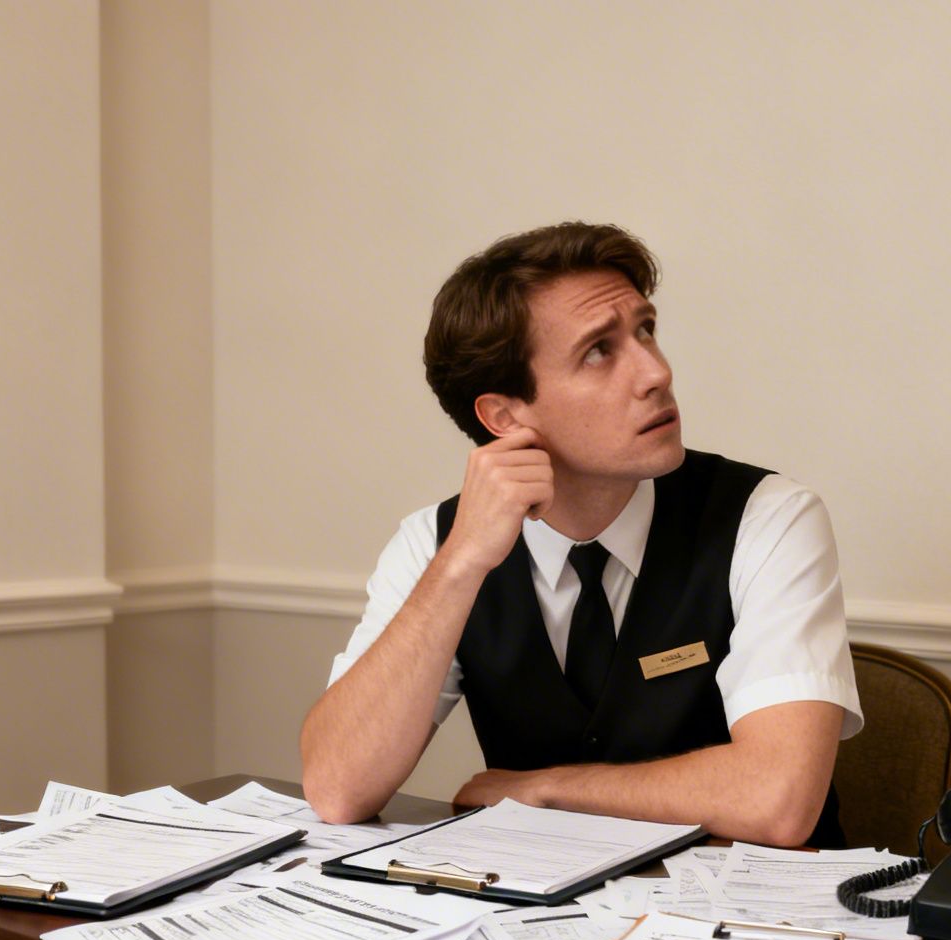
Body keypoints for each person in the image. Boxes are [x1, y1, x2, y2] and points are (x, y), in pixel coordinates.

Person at [299, 222, 861, 846]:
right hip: (536, 925)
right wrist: (460, 564)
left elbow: (776, 801)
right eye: (599, 350)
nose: (655, 372)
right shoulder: (435, 543)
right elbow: (338, 789)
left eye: (645, 329)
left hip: (759, 926)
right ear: (506, 416)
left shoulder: (769, 518)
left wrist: (540, 789)